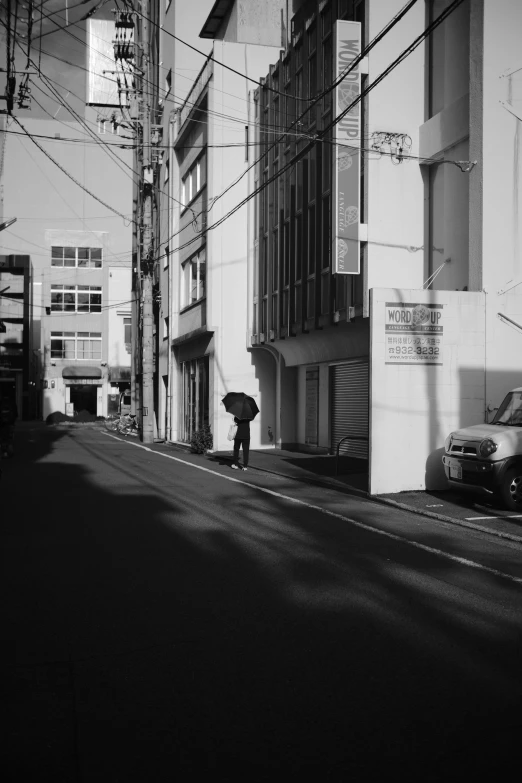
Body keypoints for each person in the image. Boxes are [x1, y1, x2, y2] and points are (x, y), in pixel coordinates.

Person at [0, 393, 18, 458]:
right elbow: (16, 414)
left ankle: (4, 451)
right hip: (10, 422)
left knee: (3, 437)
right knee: (10, 437)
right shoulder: (12, 403)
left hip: (2, 423)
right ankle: (10, 450)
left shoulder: (1, 402)